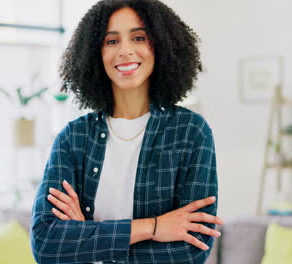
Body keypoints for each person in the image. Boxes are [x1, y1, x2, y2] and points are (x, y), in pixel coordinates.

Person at [30, 0, 223, 263]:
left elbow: (191, 251)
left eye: (139, 37)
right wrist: (153, 227)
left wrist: (87, 239)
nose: (125, 51)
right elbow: (46, 244)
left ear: (161, 46)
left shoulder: (190, 132)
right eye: (111, 41)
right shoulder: (73, 138)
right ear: (95, 53)